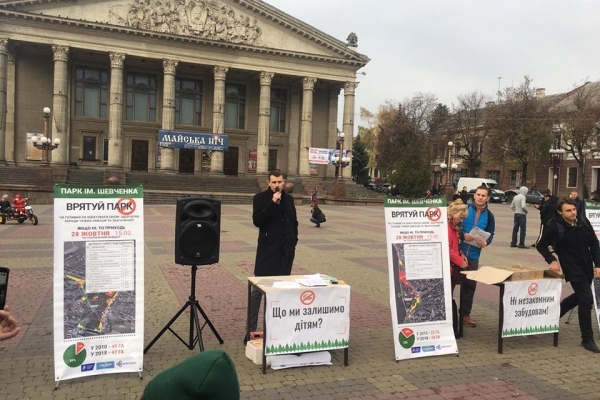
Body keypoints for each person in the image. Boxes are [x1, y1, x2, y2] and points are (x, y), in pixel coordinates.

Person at [536, 198, 600, 353]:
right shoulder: (553, 225)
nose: (573, 213)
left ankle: (552, 316)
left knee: (579, 296)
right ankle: (587, 339)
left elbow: (594, 243)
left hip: (586, 264)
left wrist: (598, 264)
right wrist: (552, 260)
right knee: (586, 299)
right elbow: (541, 245)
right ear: (560, 212)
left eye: (574, 209)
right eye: (568, 211)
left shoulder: (583, 221)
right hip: (571, 266)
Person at [246, 170, 298, 344]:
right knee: (257, 292)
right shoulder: (260, 198)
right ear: (268, 183)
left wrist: (293, 242)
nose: (277, 185)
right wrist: (272, 203)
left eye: (280, 182)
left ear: (284, 182)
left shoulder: (289, 200)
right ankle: (250, 331)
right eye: (274, 182)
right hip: (267, 252)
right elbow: (258, 221)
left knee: (281, 292)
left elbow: (294, 223)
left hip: (285, 252)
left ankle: (277, 331)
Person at [459, 186, 495, 328]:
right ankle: (447, 315)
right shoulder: (464, 209)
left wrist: (486, 242)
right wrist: (462, 235)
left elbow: (491, 233)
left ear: (488, 198)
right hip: (457, 252)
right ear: (474, 196)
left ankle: (465, 315)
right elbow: (453, 225)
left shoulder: (490, 216)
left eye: (483, 195)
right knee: (451, 283)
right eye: (478, 194)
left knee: (470, 285)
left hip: (473, 255)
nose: (480, 197)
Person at [447, 199, 468, 337]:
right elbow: (446, 248)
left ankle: (453, 328)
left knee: (450, 296)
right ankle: (452, 329)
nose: (461, 220)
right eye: (461, 217)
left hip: (452, 266)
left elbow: (455, 246)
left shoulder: (453, 226)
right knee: (448, 297)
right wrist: (460, 261)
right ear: (454, 213)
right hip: (448, 268)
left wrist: (461, 254)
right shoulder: (447, 227)